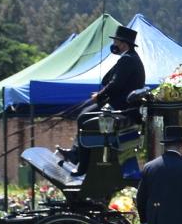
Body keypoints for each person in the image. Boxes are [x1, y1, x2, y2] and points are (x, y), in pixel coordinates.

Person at [58, 25, 145, 176]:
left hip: (120, 107)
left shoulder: (127, 60)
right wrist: (100, 96)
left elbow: (116, 85)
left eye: (116, 41)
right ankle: (75, 152)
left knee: (82, 118)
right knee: (84, 113)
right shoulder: (132, 58)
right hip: (123, 105)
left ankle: (81, 164)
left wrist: (99, 96)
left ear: (124, 44)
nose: (114, 44)